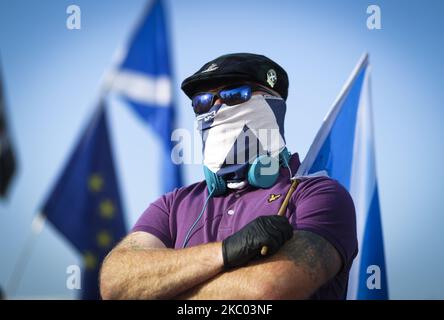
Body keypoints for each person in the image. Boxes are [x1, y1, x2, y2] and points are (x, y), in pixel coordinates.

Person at [99, 53, 358, 300]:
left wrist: (160, 290)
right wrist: (225, 252)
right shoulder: (173, 205)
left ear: (273, 104)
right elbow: (115, 282)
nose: (216, 108)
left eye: (234, 94)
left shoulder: (319, 195)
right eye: (203, 102)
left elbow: (269, 289)